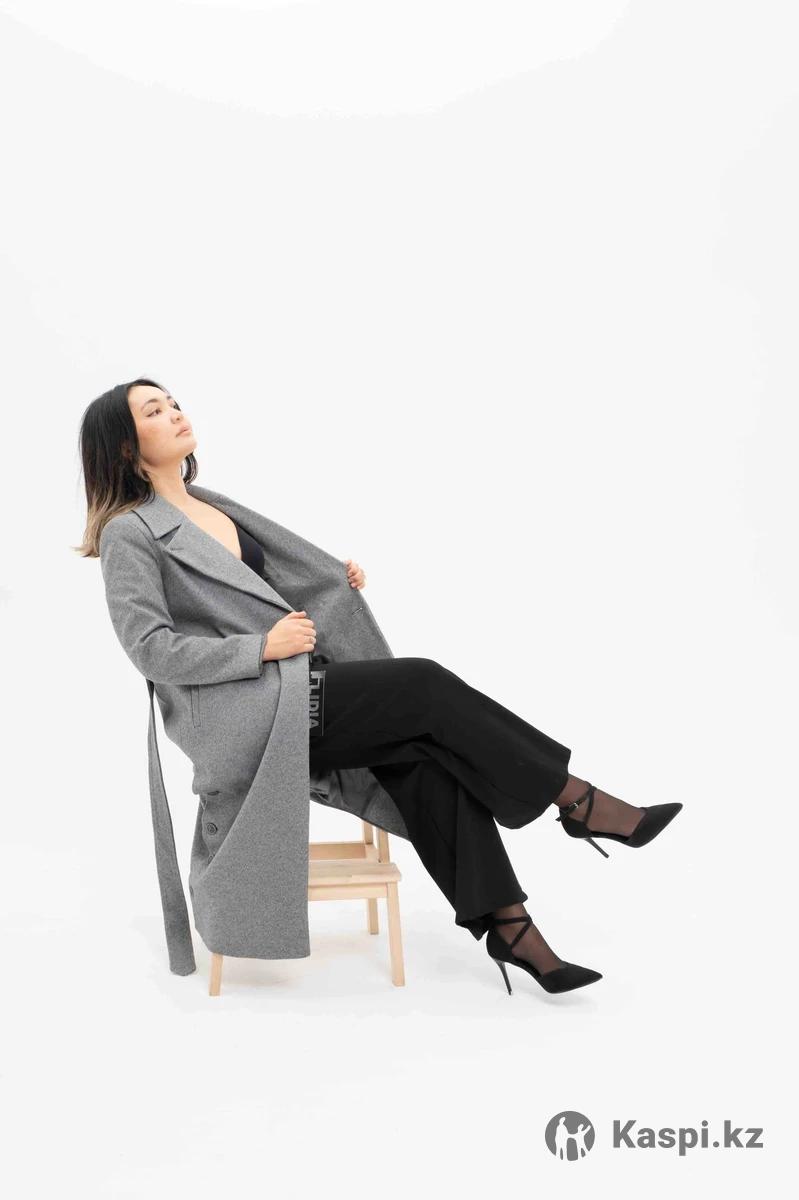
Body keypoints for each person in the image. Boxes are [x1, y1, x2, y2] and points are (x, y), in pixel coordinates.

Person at [76, 377, 682, 996]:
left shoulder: (211, 503)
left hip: (295, 689)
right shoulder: (130, 532)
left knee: (424, 755)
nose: (176, 413)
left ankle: (512, 928)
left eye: (173, 402)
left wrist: (330, 582)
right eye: (154, 411)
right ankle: (577, 801)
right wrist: (260, 648)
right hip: (243, 710)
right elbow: (149, 648)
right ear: (124, 446)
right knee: (423, 684)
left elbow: (263, 592)